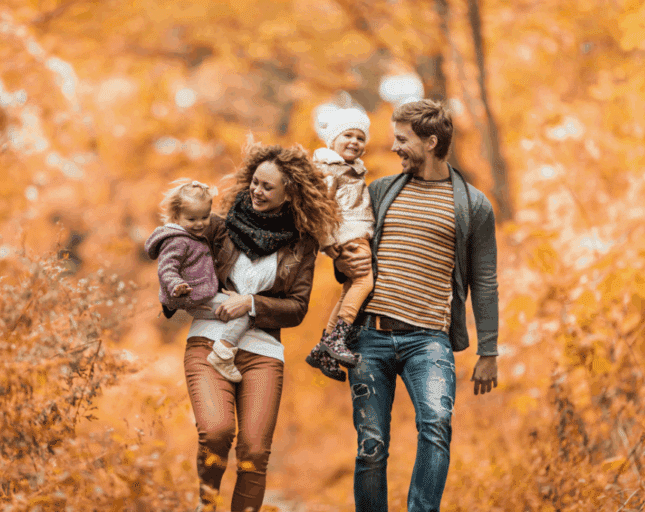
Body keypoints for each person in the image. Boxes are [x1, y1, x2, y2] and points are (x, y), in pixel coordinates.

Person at [335, 99, 499, 512]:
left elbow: (484, 280)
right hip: (370, 336)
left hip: (429, 341)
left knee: (437, 427)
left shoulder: (472, 205)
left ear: (431, 141)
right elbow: (350, 259)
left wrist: (489, 350)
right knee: (371, 446)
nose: (394, 147)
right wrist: (342, 261)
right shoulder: (379, 191)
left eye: (402, 139)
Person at [183, 142, 340, 512]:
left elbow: (297, 307)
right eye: (254, 182)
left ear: (290, 194)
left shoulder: (302, 245)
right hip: (209, 341)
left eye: (267, 187)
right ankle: (206, 507)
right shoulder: (219, 228)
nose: (256, 190)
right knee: (217, 431)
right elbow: (176, 242)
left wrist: (252, 303)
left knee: (254, 452)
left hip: (263, 353)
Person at [144, 179, 247, 382]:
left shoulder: (191, 235)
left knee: (237, 307)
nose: (199, 224)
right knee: (242, 313)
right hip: (193, 298)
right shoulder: (177, 240)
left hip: (203, 293)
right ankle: (222, 354)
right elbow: (166, 269)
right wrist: (176, 285)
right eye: (192, 219)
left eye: (204, 217)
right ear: (176, 216)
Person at [304, 107, 375, 381]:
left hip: (354, 232)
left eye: (360, 138)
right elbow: (318, 207)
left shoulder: (351, 169)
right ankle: (337, 338)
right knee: (364, 283)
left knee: (349, 288)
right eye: (348, 135)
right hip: (349, 233)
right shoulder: (328, 169)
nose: (354, 142)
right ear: (332, 140)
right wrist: (326, 240)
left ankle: (324, 348)